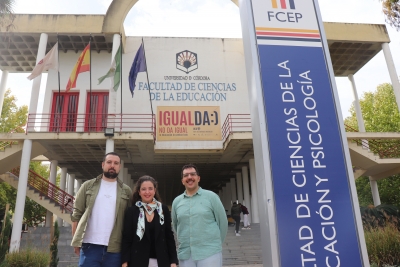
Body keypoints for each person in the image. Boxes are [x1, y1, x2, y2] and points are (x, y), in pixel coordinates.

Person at [71, 152, 133, 267]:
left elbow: (130, 221)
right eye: (109, 162)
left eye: (116, 163)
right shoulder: (87, 186)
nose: (112, 165)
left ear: (119, 167)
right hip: (90, 246)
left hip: (115, 249)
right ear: (103, 164)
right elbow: (76, 215)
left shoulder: (126, 191)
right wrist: (76, 241)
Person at [172, 164, 228, 267]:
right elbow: (176, 226)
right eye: (186, 175)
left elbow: (223, 223)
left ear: (198, 178)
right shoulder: (177, 202)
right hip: (186, 255)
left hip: (209, 253)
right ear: (182, 180)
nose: (189, 177)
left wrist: (215, 245)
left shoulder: (211, 197)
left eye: (192, 174)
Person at [121, 175, 178, 267]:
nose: (147, 192)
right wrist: (124, 262)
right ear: (139, 192)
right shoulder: (132, 211)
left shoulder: (163, 209)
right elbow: (127, 238)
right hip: (137, 260)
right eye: (143, 189)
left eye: (150, 188)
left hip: (161, 260)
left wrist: (173, 261)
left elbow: (169, 237)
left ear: (155, 191)